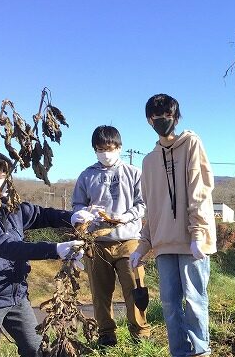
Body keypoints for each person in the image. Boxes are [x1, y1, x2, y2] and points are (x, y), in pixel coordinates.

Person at [0, 150, 86, 357]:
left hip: (17, 295)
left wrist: (71, 217)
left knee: (36, 349)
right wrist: (54, 250)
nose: (4, 181)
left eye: (5, 174)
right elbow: (6, 246)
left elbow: (41, 214)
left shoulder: (12, 208)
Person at [129, 94, 217, 357]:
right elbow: (151, 208)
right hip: (164, 244)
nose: (163, 120)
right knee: (169, 303)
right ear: (148, 120)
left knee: (195, 301)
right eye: (157, 116)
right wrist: (142, 245)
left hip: (194, 243)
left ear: (176, 118)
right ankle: (179, 352)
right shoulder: (148, 161)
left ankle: (200, 352)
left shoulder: (191, 144)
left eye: (168, 115)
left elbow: (198, 190)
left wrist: (198, 234)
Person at [71, 125, 150, 347]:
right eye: (100, 148)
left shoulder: (134, 173)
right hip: (96, 242)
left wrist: (127, 216)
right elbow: (77, 204)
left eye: (110, 147)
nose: (106, 152)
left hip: (129, 240)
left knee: (135, 288)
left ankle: (140, 333)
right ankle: (106, 335)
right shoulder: (87, 175)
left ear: (119, 147)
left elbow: (143, 203)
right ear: (94, 149)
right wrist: (83, 214)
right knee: (100, 292)